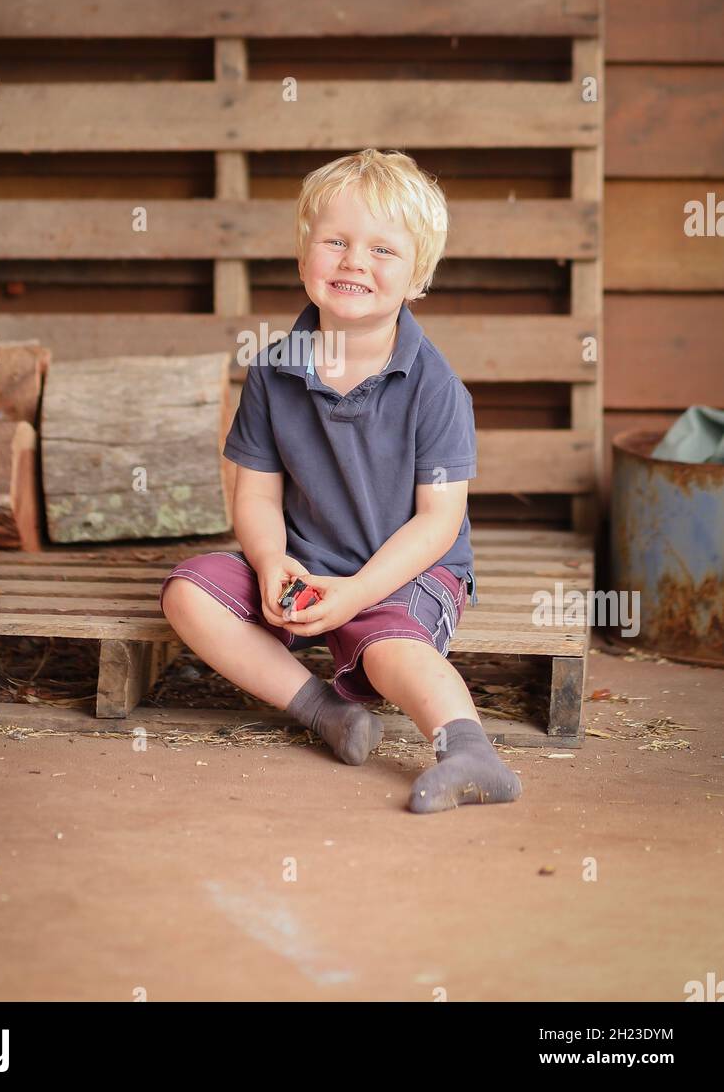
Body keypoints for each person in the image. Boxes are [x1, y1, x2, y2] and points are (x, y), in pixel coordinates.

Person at [159, 148, 521, 813]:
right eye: (336, 241)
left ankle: (468, 751)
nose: (354, 261)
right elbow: (258, 491)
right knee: (188, 594)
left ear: (417, 278)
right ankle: (326, 712)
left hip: (403, 573)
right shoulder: (273, 372)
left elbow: (437, 523)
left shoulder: (435, 387)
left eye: (383, 249)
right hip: (305, 565)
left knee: (387, 652)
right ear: (305, 258)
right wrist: (271, 563)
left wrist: (357, 593)